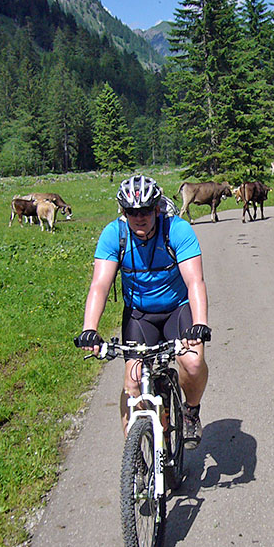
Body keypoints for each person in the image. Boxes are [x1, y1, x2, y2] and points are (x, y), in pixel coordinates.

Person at [75, 175, 210, 449]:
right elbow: (99, 285)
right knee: (133, 381)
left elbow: (195, 281)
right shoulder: (115, 235)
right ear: (123, 212)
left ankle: (191, 411)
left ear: (157, 208)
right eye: (132, 212)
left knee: (193, 363)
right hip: (140, 315)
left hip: (177, 309)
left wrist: (200, 323)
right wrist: (90, 329)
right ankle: (134, 458)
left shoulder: (177, 231)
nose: (140, 217)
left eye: (146, 210)